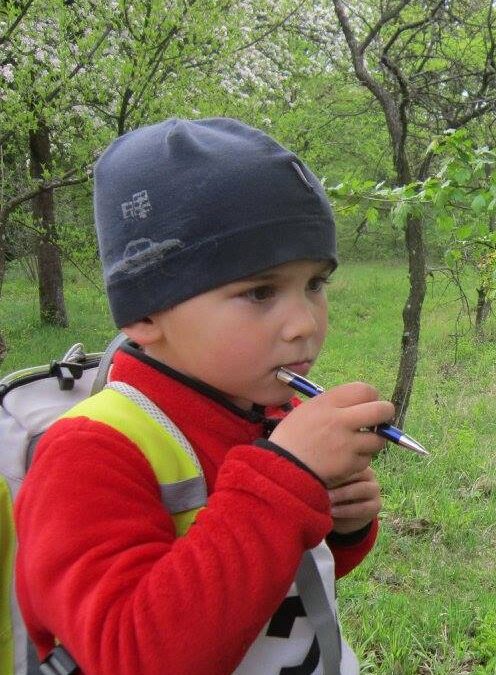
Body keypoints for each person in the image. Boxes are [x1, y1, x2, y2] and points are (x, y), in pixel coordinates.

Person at [15, 117, 392, 674]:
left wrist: (342, 525)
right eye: (259, 291)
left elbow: (281, 581)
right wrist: (285, 478)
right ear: (146, 312)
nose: (303, 323)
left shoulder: (271, 412)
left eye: (315, 284)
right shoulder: (89, 454)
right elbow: (132, 656)